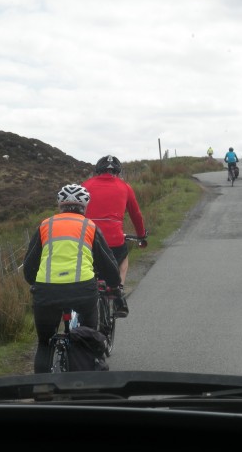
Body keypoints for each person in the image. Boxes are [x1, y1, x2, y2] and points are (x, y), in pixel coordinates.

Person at [22, 184, 123, 374]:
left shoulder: (45, 225)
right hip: (83, 291)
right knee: (88, 338)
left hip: (46, 292)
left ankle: (42, 390)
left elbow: (29, 267)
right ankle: (86, 381)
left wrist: (36, 285)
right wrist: (114, 284)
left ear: (60, 206)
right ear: (85, 207)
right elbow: (107, 262)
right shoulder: (89, 226)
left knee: (44, 343)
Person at [82, 155, 147, 294]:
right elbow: (136, 215)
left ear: (98, 171)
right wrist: (141, 235)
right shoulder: (125, 187)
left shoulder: (85, 185)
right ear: (117, 173)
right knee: (123, 258)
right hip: (114, 241)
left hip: (87, 239)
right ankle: (119, 293)